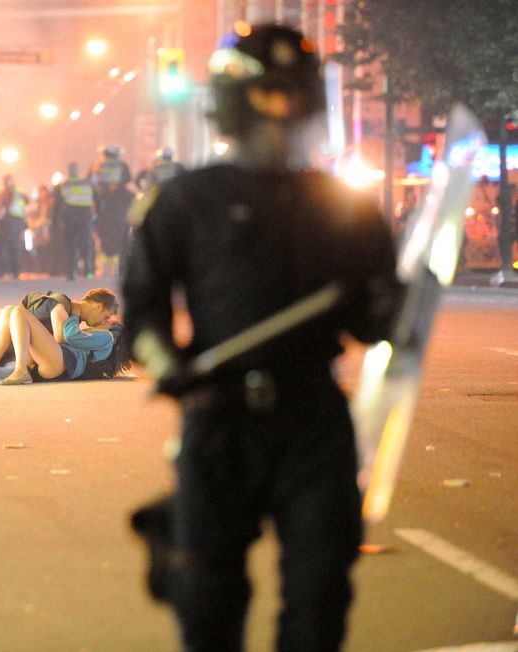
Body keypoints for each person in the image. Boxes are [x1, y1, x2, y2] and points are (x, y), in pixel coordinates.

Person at [122, 24, 400, 651]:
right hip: (218, 420)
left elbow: (370, 326)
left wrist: (392, 307)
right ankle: (176, 530)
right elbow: (141, 312)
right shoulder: (184, 200)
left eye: (291, 95)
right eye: (267, 95)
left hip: (313, 424)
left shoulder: (347, 209)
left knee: (320, 596)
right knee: (210, 605)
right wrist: (169, 362)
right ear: (232, 102)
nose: (280, 112)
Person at [0, 304, 128, 385]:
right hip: (57, 361)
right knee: (8, 310)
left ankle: (20, 370)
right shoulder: (99, 339)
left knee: (19, 312)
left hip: (62, 361)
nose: (103, 321)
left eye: (108, 321)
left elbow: (70, 336)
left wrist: (75, 314)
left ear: (114, 331)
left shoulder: (107, 337)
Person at [92, 144, 134, 278]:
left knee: (103, 236)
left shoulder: (98, 166)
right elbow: (128, 178)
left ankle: (104, 268)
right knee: (120, 237)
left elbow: (92, 182)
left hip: (103, 204)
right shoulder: (122, 165)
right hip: (119, 205)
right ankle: (116, 267)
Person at [53, 162, 97, 280]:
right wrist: (97, 215)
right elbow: (97, 199)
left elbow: (57, 205)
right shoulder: (87, 183)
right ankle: (88, 270)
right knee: (86, 244)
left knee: (71, 245)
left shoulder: (64, 184)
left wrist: (56, 221)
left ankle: (72, 272)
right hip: (84, 216)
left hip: (70, 217)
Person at [0, 174, 28, 279]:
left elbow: (4, 209)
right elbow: (25, 206)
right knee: (15, 246)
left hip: (8, 221)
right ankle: (15, 271)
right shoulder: (19, 193)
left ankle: (2, 270)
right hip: (18, 222)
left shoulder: (7, 193)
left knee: (1, 246)